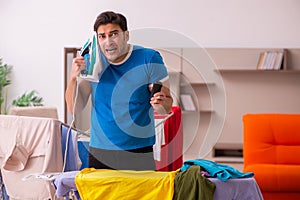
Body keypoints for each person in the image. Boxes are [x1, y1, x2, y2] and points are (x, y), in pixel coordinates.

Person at [65, 11, 173, 170]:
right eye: (102, 36)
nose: (108, 42)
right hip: (100, 151)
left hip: (139, 150)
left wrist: (160, 105)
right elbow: (74, 108)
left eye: (113, 34)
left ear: (126, 35)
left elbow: (167, 107)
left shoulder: (149, 58)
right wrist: (73, 78)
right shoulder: (91, 61)